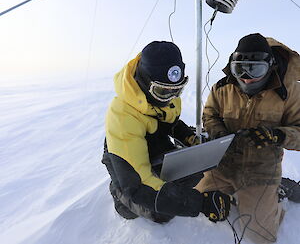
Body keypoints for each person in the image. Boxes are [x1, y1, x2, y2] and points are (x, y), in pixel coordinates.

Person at [102, 41, 231, 224]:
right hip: (125, 152)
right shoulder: (122, 116)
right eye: (163, 91)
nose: (171, 97)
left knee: (189, 175)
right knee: (157, 212)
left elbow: (171, 122)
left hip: (154, 139)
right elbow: (139, 186)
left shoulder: (167, 96)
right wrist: (200, 203)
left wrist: (189, 137)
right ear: (144, 82)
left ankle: (154, 176)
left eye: (177, 90)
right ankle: (119, 190)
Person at [195, 33, 300, 243]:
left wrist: (278, 135)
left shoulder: (289, 92)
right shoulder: (222, 87)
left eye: (255, 69)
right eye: (239, 69)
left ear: (269, 66)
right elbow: (209, 114)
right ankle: (234, 194)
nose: (246, 77)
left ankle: (277, 191)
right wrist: (219, 133)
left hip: (261, 168)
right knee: (200, 201)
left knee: (260, 234)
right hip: (223, 163)